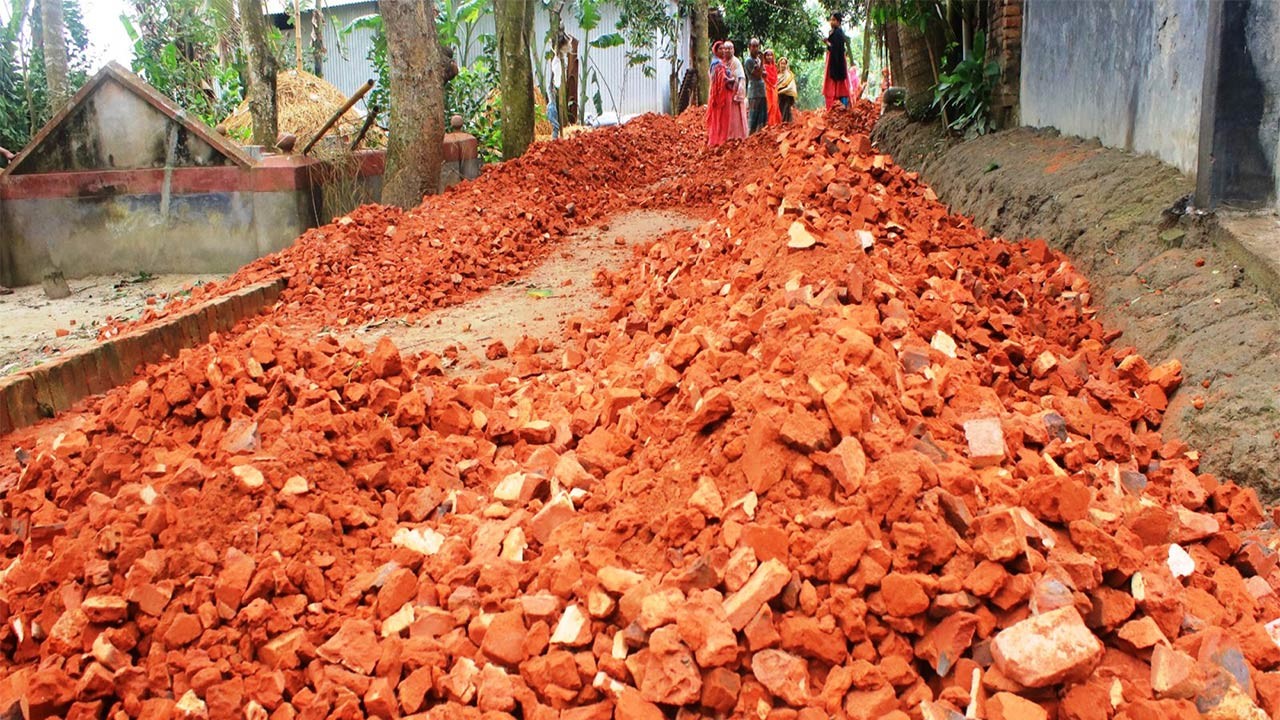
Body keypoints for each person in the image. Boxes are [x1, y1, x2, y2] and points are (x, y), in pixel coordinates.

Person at [823, 13, 861, 109]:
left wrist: (827, 43)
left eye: (834, 20)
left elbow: (835, 48)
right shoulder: (835, 32)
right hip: (835, 64)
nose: (831, 22)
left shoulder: (838, 33)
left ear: (839, 22)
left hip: (837, 65)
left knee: (839, 87)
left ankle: (841, 106)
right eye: (831, 20)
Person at [707, 41, 733, 146]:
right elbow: (719, 80)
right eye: (720, 49)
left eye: (723, 48)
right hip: (719, 95)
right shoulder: (716, 64)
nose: (722, 51)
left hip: (724, 93)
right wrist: (731, 80)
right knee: (719, 117)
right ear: (715, 51)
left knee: (722, 117)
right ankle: (717, 141)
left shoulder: (721, 63)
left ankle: (721, 140)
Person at [546, 35, 569, 140]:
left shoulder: (558, 59)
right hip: (553, 87)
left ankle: (555, 135)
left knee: (553, 109)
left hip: (553, 86)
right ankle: (555, 135)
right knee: (552, 109)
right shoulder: (556, 59)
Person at [725, 41, 748, 141]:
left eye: (730, 48)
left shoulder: (736, 62)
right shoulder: (722, 62)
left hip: (734, 93)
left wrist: (739, 94)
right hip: (725, 93)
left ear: (733, 50)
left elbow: (741, 78)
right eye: (726, 48)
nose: (728, 51)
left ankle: (737, 136)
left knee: (736, 116)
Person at [744, 38, 767, 134]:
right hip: (754, 92)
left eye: (757, 46)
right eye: (753, 46)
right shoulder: (748, 61)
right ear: (749, 47)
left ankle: (760, 137)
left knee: (762, 117)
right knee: (753, 117)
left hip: (762, 91)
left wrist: (761, 67)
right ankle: (750, 137)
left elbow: (764, 73)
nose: (755, 48)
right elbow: (757, 75)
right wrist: (762, 62)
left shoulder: (757, 60)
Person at [763, 49, 782, 126]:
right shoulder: (764, 67)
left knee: (775, 105)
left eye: (771, 55)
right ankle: (770, 123)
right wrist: (771, 85)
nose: (769, 57)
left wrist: (775, 85)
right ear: (765, 57)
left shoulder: (774, 67)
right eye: (767, 55)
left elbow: (776, 77)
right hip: (768, 88)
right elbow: (765, 78)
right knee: (769, 106)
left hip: (774, 88)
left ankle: (775, 123)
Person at [776, 57, 798, 122]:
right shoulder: (776, 75)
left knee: (786, 113)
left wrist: (781, 91)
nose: (783, 65)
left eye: (784, 64)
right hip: (778, 97)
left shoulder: (789, 75)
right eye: (781, 63)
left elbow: (791, 87)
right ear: (779, 64)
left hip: (786, 96)